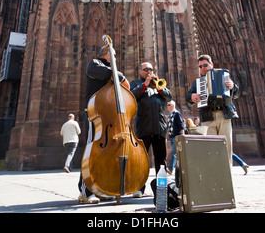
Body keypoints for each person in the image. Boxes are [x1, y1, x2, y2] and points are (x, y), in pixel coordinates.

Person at [78, 45, 128, 204]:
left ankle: (102, 188)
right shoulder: (94, 64)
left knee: (107, 153)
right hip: (95, 115)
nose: (115, 59)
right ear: (107, 55)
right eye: (113, 55)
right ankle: (86, 191)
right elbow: (111, 74)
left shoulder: (109, 70)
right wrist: (122, 77)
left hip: (108, 116)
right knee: (92, 150)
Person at [186, 54, 240, 163]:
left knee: (226, 148)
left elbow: (236, 95)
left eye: (205, 65)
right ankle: (214, 176)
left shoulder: (223, 75)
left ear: (211, 64)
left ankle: (226, 176)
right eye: (200, 66)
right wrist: (191, 97)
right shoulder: (198, 82)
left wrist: (233, 87)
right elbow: (188, 99)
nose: (202, 68)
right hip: (208, 118)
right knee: (211, 149)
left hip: (224, 116)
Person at [130, 62, 172, 197]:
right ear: (140, 71)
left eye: (151, 69)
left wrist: (158, 87)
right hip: (143, 127)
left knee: (161, 161)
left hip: (159, 128)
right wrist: (145, 84)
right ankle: (138, 188)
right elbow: (132, 96)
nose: (149, 71)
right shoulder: (136, 84)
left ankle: (162, 188)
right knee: (141, 161)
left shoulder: (158, 85)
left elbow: (168, 96)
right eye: (146, 69)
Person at [166, 100, 185, 174]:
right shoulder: (171, 114)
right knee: (177, 153)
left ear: (173, 105)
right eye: (167, 105)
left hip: (176, 136)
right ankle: (179, 167)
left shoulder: (177, 113)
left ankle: (170, 169)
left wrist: (182, 135)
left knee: (174, 152)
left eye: (169, 105)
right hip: (171, 136)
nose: (167, 106)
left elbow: (180, 124)